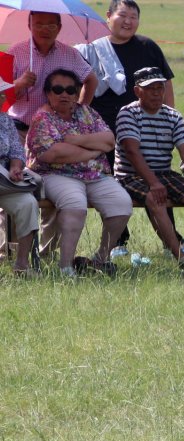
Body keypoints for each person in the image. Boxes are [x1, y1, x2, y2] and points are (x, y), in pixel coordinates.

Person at [78, 0, 176, 259]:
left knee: (157, 177)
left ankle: (172, 242)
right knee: (110, 184)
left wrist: (169, 118)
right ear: (108, 17)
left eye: (134, 16)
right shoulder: (92, 50)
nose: (128, 21)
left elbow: (166, 84)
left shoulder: (147, 46)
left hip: (145, 126)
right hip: (103, 130)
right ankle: (118, 243)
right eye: (122, 15)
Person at [8, 10, 99, 258]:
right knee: (14, 187)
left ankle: (47, 252)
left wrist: (80, 110)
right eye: (39, 24)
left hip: (55, 134)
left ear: (59, 27)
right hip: (19, 130)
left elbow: (91, 79)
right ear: (29, 24)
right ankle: (12, 250)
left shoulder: (70, 54)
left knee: (52, 188)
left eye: (51, 24)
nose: (44, 28)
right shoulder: (15, 52)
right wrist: (18, 85)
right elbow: (2, 95)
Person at [26, 69, 132, 277]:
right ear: (48, 93)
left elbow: (109, 141)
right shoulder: (42, 118)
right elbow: (53, 155)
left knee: (121, 204)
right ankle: (66, 267)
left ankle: (100, 259)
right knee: (75, 205)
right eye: (58, 89)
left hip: (96, 175)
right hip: (56, 175)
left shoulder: (87, 112)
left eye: (70, 90)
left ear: (77, 93)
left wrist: (73, 140)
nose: (64, 94)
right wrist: (94, 150)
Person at [114, 67, 184, 266]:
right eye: (150, 88)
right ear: (137, 91)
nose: (157, 93)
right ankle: (178, 255)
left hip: (164, 173)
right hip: (130, 175)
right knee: (155, 198)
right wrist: (153, 183)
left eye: (160, 88)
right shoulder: (128, 114)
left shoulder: (173, 115)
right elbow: (133, 153)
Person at [0, 81, 39, 275]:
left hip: (5, 180)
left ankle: (22, 265)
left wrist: (16, 166)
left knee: (28, 203)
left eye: (3, 93)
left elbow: (16, 148)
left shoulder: (5, 119)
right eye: (0, 94)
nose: (3, 98)